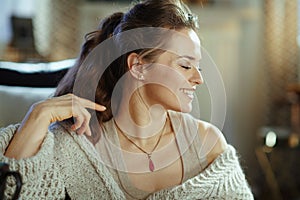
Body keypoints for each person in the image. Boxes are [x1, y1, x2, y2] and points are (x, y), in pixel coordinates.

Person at [0, 0, 254, 199]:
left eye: (199, 67)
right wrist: (37, 114)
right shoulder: (76, 146)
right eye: (186, 66)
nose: (198, 79)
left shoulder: (208, 145)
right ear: (138, 66)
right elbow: (12, 191)